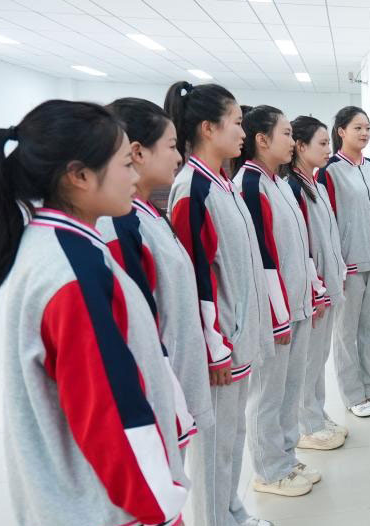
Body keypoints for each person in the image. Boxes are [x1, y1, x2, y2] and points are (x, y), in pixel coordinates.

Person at [0, 100, 188, 525]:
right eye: (125, 164)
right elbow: (108, 410)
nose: (135, 176)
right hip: (108, 507)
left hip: (78, 499)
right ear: (79, 176)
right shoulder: (73, 271)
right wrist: (160, 506)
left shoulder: (52, 247)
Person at [165, 81, 274, 526]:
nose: (243, 132)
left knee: (232, 436)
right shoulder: (193, 189)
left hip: (238, 335)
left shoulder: (223, 184)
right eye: (236, 123)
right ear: (209, 128)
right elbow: (195, 275)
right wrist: (214, 346)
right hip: (220, 345)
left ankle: (232, 512)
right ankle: (216, 518)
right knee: (214, 448)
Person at [96, 97, 212, 454]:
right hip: (158, 392)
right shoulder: (120, 226)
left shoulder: (148, 213)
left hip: (175, 381)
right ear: (138, 152)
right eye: (172, 146)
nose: (178, 157)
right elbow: (136, 330)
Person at [234, 105, 326, 498]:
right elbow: (263, 256)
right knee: (267, 395)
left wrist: (313, 289)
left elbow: (298, 246)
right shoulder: (249, 184)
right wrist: (277, 314)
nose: (292, 141)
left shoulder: (279, 183)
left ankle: (286, 459)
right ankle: (269, 470)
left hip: (296, 304)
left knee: (289, 389)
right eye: (286, 134)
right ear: (262, 139)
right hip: (276, 312)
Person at [317, 106, 370, 418]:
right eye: (357, 128)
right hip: (348, 266)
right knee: (345, 333)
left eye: (367, 128)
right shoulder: (329, 171)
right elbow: (326, 223)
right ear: (341, 131)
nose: (364, 133)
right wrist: (334, 266)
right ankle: (353, 395)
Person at [287, 115, 350, 449]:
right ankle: (306, 424)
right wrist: (317, 288)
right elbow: (303, 247)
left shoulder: (316, 185)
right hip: (314, 290)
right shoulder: (293, 188)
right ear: (300, 146)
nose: (329, 149)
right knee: (308, 360)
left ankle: (316, 413)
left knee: (318, 358)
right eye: (322, 143)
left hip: (328, 285)